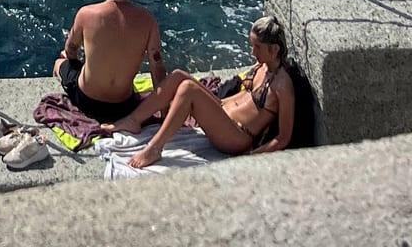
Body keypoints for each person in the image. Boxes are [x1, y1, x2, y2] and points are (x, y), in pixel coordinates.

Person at [123, 15, 295, 168]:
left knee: (188, 89)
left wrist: (251, 156)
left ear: (274, 49)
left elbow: (283, 138)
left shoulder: (282, 85)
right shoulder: (262, 66)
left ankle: (154, 149)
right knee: (178, 76)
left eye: (257, 47)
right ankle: (134, 120)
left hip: (236, 136)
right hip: (222, 114)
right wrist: (214, 103)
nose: (252, 52)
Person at [53, 0, 165, 122]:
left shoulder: (86, 14)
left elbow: (71, 50)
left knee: (60, 62)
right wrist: (163, 111)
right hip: (124, 107)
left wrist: (75, 62)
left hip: (87, 102)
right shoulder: (148, 21)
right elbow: (157, 68)